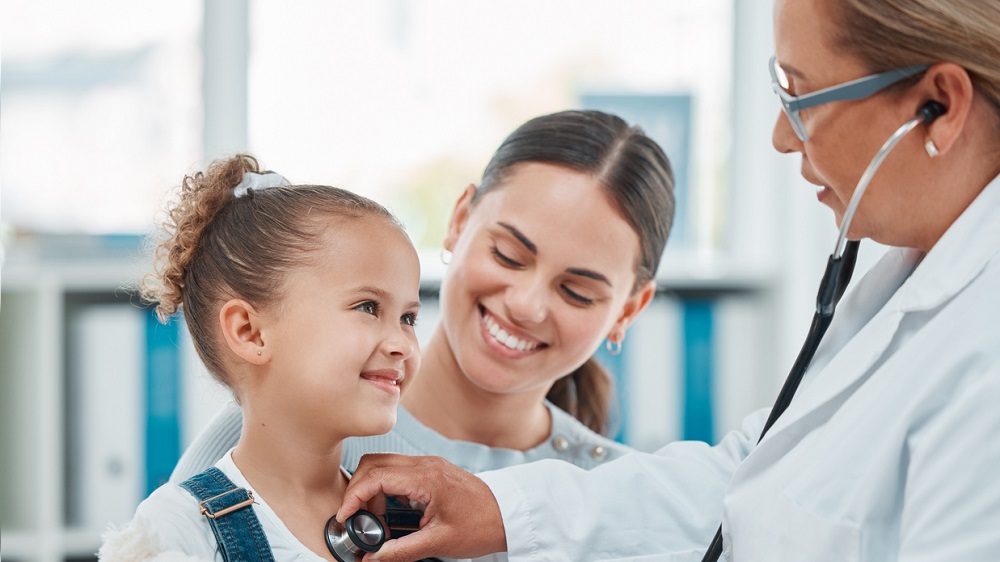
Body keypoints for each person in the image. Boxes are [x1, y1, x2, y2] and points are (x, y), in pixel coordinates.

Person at [335, 0, 1000, 560]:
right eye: (511, 254)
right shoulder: (906, 288)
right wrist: (496, 505)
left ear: (939, 106)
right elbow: (743, 477)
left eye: (801, 96)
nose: (779, 136)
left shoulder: (981, 354)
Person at [169, 109, 676, 480]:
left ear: (628, 310)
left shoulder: (621, 496)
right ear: (458, 222)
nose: (525, 304)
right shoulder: (290, 424)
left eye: (576, 291)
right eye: (508, 255)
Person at [98, 154, 422, 560]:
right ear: (250, 332)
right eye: (368, 307)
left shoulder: (417, 519)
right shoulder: (177, 532)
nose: (405, 344)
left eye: (408, 317)